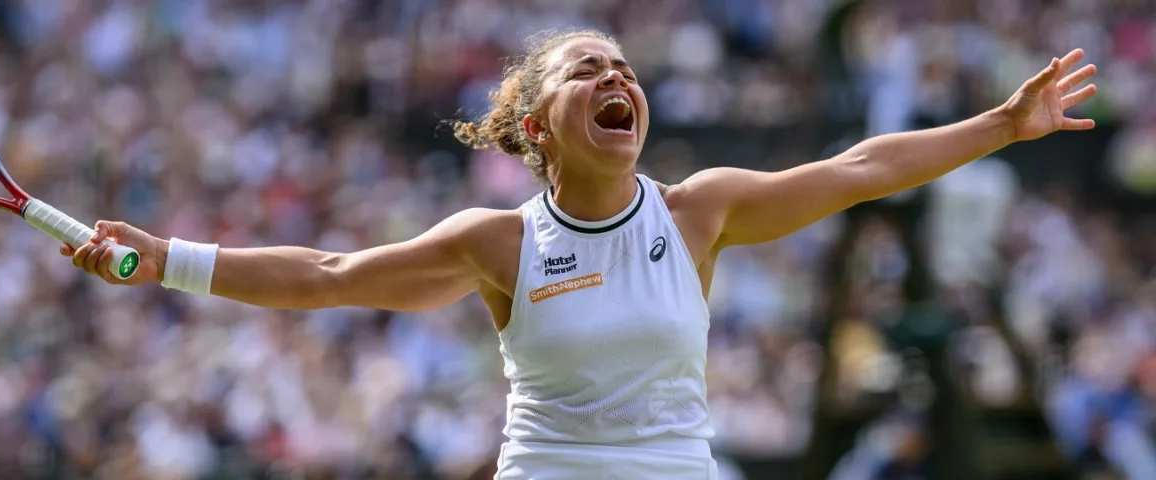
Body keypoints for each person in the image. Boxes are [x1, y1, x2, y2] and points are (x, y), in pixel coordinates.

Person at [63, 28, 1098, 479]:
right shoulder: (497, 245)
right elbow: (330, 278)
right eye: (587, 70)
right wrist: (172, 260)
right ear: (538, 127)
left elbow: (865, 165)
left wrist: (1002, 125)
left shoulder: (701, 212)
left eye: (626, 67)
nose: (619, 78)